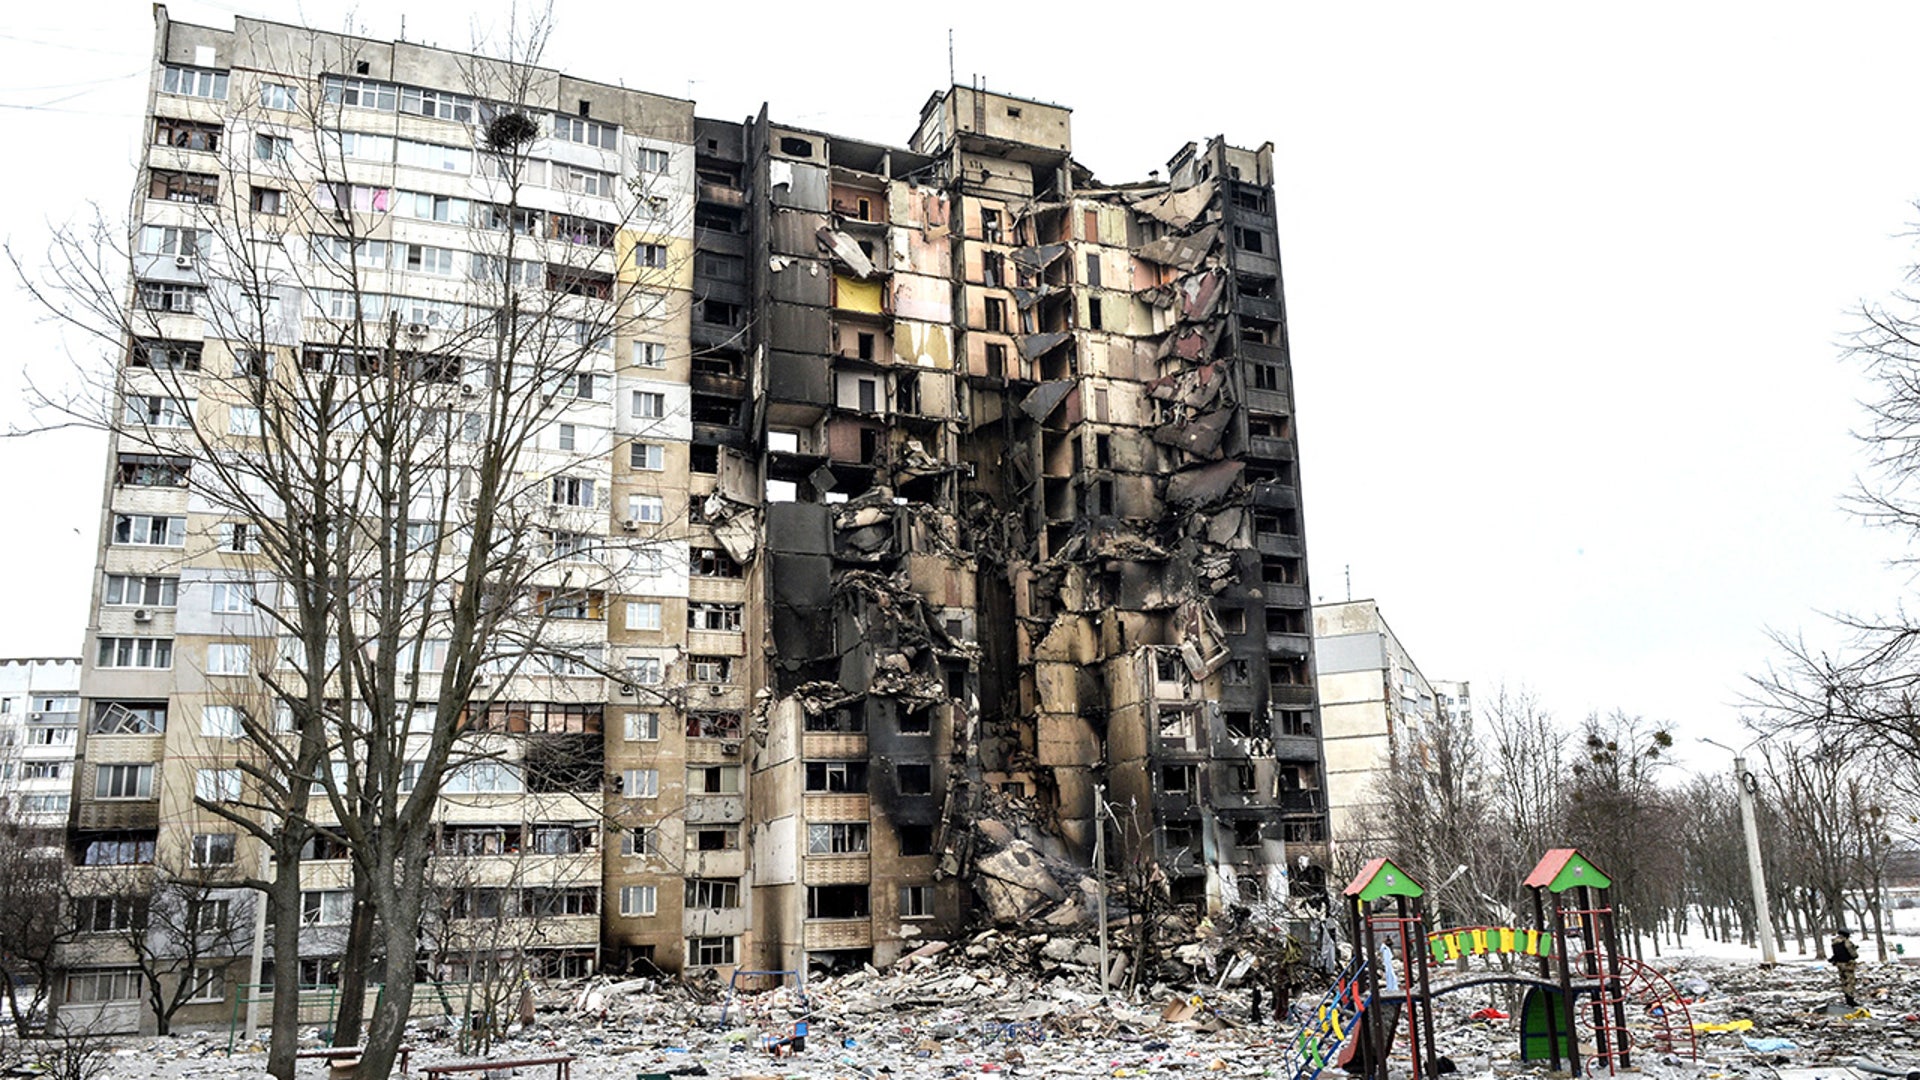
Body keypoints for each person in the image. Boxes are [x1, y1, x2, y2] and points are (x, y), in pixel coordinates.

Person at [1829, 928, 1860, 1006]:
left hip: (1839, 964)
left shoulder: (1834, 943)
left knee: (1843, 981)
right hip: (1848, 964)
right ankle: (1850, 999)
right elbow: (1854, 955)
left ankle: (1847, 997)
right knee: (1850, 981)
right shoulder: (1847, 942)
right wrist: (1854, 950)